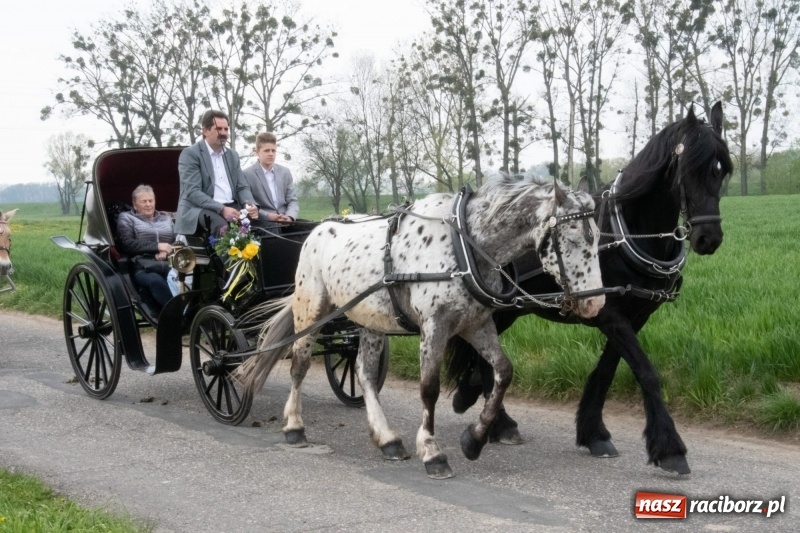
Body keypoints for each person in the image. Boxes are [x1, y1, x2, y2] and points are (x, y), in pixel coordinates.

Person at [174, 109, 259, 236]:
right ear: (205, 131)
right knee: (224, 229)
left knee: (266, 225)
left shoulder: (232, 155)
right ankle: (235, 256)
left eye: (226, 129)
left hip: (232, 206)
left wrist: (249, 203)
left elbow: (242, 186)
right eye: (219, 129)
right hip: (200, 209)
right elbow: (193, 192)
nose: (224, 133)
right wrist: (221, 209)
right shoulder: (190, 154)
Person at [116, 185, 175, 309]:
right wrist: (157, 247)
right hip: (142, 266)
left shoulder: (166, 218)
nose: (148, 204)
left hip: (170, 262)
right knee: (156, 281)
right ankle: (177, 315)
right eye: (144, 201)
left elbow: (178, 240)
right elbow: (127, 244)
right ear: (135, 205)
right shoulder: (126, 218)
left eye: (151, 200)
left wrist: (167, 250)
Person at [243, 132, 299, 232]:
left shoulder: (285, 172)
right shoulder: (247, 174)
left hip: (285, 219)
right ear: (257, 152)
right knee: (274, 230)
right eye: (266, 150)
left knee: (309, 229)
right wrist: (269, 216)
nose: (271, 154)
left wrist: (290, 217)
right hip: (263, 222)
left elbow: (292, 201)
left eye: (273, 150)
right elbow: (250, 205)